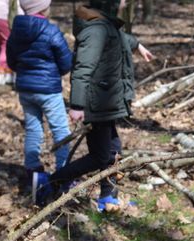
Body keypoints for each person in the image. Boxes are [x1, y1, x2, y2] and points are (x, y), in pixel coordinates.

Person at [33, 0, 153, 208]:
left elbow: (119, 38)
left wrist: (137, 45)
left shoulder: (105, 25)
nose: (125, 2)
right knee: (100, 157)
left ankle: (108, 197)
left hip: (107, 101)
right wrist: (77, 105)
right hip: (97, 103)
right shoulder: (96, 30)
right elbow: (82, 68)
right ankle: (50, 183)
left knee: (114, 151)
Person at [6, 0, 72, 194]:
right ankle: (64, 172)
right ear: (43, 7)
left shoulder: (15, 31)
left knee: (33, 128)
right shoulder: (51, 31)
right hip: (48, 90)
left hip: (26, 90)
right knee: (60, 130)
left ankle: (32, 170)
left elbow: (11, 61)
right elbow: (66, 62)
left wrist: (26, 72)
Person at [0, 0, 22, 85]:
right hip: (4, 16)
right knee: (7, 44)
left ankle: (7, 73)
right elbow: (18, 6)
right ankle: (0, 74)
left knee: (2, 44)